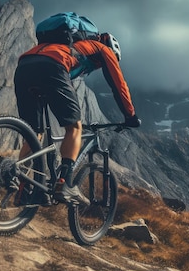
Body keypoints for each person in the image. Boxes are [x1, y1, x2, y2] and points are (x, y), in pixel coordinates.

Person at [14, 30, 140, 206]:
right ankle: (64, 184)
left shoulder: (69, 46)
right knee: (74, 128)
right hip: (52, 66)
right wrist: (130, 115)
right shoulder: (103, 49)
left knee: (35, 135)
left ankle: (22, 187)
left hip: (23, 66)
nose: (97, 68)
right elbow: (119, 85)